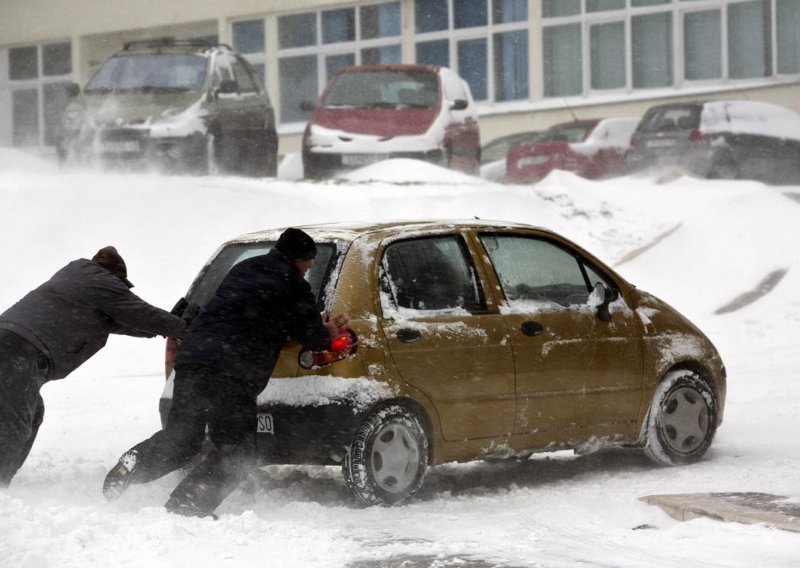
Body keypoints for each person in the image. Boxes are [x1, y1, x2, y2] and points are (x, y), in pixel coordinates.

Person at [103, 228, 349, 518]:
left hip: (194, 359)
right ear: (300, 259)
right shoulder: (294, 285)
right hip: (233, 372)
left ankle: (133, 464)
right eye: (309, 261)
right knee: (237, 452)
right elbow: (313, 337)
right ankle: (190, 501)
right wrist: (327, 330)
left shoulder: (243, 268)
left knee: (182, 438)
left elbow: (253, 310)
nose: (309, 267)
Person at [0, 246, 187, 487]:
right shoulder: (100, 283)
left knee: (30, 413)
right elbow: (139, 313)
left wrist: (162, 328)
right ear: (115, 277)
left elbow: (124, 321)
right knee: (13, 424)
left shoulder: (78, 284)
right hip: (17, 352)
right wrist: (185, 328)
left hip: (10, 345)